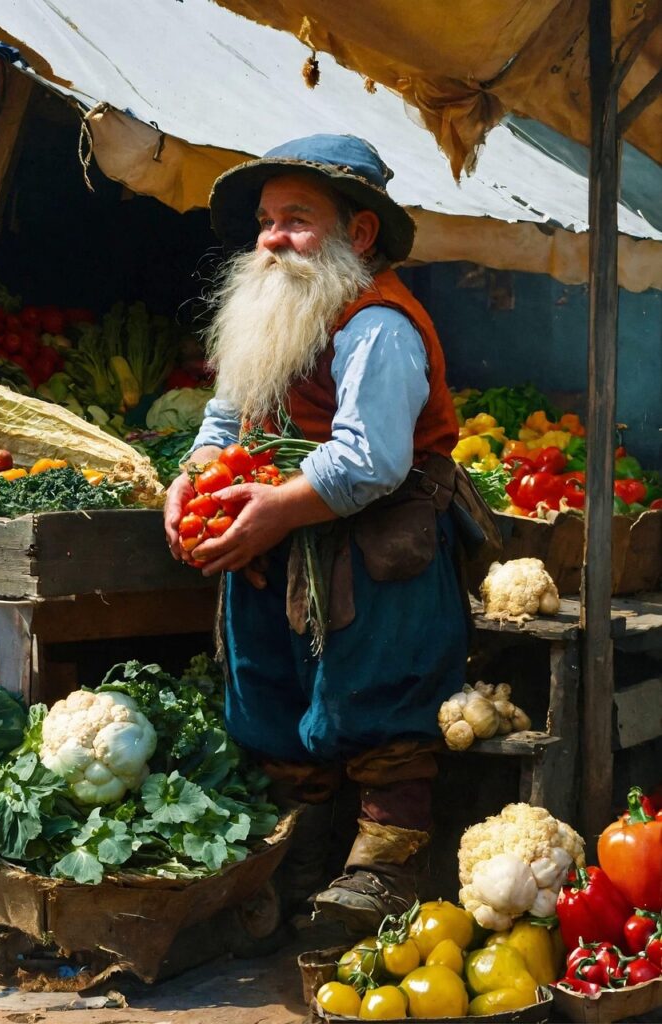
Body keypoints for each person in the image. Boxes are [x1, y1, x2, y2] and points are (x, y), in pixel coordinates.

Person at [164, 134, 470, 933]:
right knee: (268, 682)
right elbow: (226, 417)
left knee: (376, 688)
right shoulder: (271, 309)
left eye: (295, 220)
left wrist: (271, 509)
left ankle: (383, 867)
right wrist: (192, 479)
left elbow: (369, 459)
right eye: (266, 221)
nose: (271, 239)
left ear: (357, 234)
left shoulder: (380, 323)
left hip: (374, 550)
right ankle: (299, 853)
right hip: (277, 539)